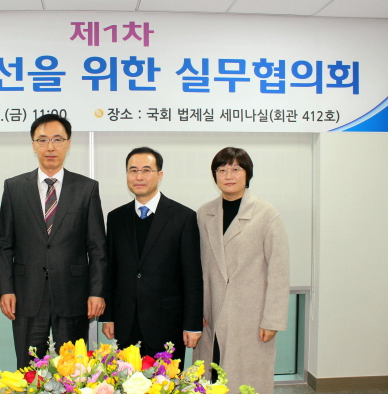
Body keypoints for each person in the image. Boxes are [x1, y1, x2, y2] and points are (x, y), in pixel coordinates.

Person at [0, 113, 107, 369]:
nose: (50, 147)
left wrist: (96, 292)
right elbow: (4, 245)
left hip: (73, 294)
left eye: (57, 140)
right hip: (26, 294)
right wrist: (6, 289)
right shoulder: (14, 187)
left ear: (68, 144)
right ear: (33, 145)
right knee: (28, 368)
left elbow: (97, 248)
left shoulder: (87, 188)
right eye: (43, 140)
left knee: (74, 371)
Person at [193, 147, 289, 394]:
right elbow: (196, 267)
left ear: (247, 174)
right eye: (222, 169)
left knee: (245, 379)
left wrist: (272, 320)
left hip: (250, 317)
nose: (228, 175)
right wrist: (196, 310)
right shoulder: (204, 214)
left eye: (236, 169)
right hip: (211, 314)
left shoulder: (266, 214)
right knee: (210, 376)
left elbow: (279, 271)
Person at [100, 147, 203, 361]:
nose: (139, 177)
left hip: (167, 324)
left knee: (166, 380)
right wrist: (108, 317)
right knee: (125, 379)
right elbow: (111, 271)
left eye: (146, 170)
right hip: (126, 323)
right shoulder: (116, 218)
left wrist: (192, 325)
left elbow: (192, 277)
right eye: (133, 170)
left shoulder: (183, 217)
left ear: (159, 175)